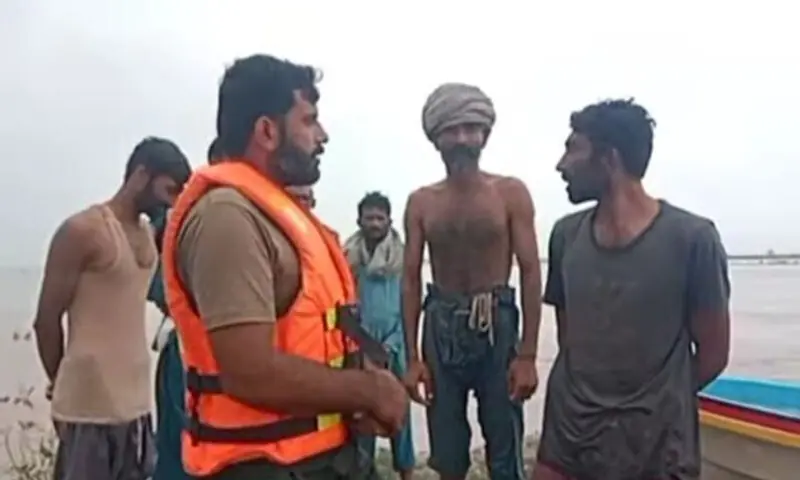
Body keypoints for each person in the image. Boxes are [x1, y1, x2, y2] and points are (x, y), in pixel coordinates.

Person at [160, 54, 409, 480]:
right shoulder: (227, 217)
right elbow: (249, 373)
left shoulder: (279, 213)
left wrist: (356, 389)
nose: (322, 135)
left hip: (321, 459)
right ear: (267, 131)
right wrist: (368, 391)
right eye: (309, 121)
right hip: (265, 467)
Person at [534, 99, 731, 480]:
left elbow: (713, 353)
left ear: (608, 159)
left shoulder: (692, 240)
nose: (561, 165)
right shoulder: (565, 236)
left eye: (573, 148)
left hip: (656, 449)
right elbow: (570, 339)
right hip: (569, 436)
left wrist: (653, 405)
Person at [402, 83, 542, 480]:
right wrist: (412, 359)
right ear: (436, 138)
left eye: (471, 128)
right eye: (452, 129)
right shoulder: (422, 202)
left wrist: (528, 355)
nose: (462, 138)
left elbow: (531, 271)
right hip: (441, 324)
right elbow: (410, 279)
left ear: (485, 133)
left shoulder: (509, 193)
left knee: (504, 445)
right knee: (447, 450)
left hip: (496, 323)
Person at [33, 137, 192, 480]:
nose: (171, 201)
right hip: (88, 410)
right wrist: (60, 385)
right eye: (168, 189)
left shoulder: (150, 236)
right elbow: (46, 320)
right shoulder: (83, 231)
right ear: (141, 175)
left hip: (135, 406)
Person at [344, 192, 416, 480]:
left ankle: (407, 474)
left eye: (379, 218)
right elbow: (344, 307)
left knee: (400, 419)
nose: (374, 224)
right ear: (359, 220)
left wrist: (392, 345)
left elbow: (410, 306)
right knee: (361, 418)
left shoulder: (402, 259)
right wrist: (361, 346)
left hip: (395, 346)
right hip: (359, 347)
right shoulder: (348, 258)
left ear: (389, 221)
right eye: (369, 218)